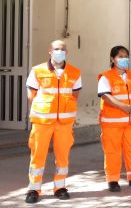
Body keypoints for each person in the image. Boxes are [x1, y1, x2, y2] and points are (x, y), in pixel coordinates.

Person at [24, 40, 82, 204]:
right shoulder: (37, 70)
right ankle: (33, 189)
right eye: (56, 49)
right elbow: (31, 96)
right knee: (37, 155)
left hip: (64, 123)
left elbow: (74, 95)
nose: (59, 52)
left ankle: (60, 187)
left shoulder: (75, 72)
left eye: (62, 49)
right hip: (42, 121)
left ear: (66, 52)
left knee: (63, 156)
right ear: (50, 50)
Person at [98, 46, 131, 192]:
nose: (124, 59)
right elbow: (105, 96)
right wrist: (124, 107)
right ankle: (113, 180)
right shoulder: (105, 77)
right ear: (112, 59)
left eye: (126, 56)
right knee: (112, 151)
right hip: (112, 123)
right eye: (120, 56)